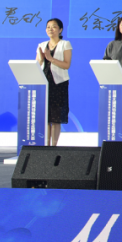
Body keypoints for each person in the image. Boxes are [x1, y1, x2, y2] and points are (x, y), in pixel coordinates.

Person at [36, 18, 71, 147]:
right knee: (46, 117)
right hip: (44, 83)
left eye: (54, 27)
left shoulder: (65, 44)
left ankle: (54, 146)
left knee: (56, 118)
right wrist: (41, 58)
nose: (50, 29)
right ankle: (46, 146)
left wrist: (51, 58)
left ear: (60, 30)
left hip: (59, 84)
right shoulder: (41, 45)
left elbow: (66, 65)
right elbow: (38, 64)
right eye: (48, 27)